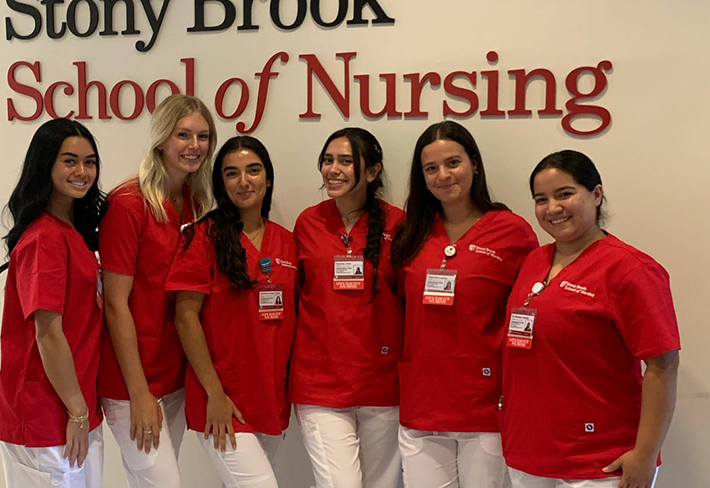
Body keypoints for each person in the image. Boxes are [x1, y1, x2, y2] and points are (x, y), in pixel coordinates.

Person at [501, 150, 680, 488]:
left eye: (565, 193)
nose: (552, 208)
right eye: (541, 199)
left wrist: (645, 454)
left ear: (596, 194)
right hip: (530, 454)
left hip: (600, 461)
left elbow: (663, 366)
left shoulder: (631, 270)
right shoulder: (534, 261)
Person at [391, 121, 538, 488]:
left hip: (485, 405)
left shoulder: (512, 232)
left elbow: (531, 313)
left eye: (453, 163)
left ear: (474, 163)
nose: (443, 175)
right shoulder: (410, 233)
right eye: (431, 168)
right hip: (422, 402)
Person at [98, 95, 217, 488]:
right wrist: (138, 393)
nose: (193, 145)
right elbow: (115, 305)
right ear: (161, 140)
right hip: (133, 380)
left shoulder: (197, 205)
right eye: (183, 135)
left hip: (174, 377)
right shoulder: (129, 204)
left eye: (202, 136)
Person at [167, 136, 297, 488]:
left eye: (253, 171)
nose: (244, 181)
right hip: (222, 400)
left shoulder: (286, 241)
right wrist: (215, 395)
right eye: (232, 173)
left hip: (270, 397)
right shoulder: (202, 237)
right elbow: (185, 317)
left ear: (268, 178)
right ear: (220, 183)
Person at [0, 118, 107, 488]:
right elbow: (49, 333)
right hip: (45, 415)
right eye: (69, 160)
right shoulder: (44, 238)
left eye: (90, 162)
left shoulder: (70, 231)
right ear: (45, 165)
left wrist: (81, 411)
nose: (82, 171)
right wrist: (77, 412)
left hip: (72, 410)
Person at [289, 127, 405, 488]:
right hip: (321, 385)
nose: (333, 169)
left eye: (345, 161)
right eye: (327, 160)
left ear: (372, 171)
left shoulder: (399, 224)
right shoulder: (308, 222)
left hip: (383, 384)